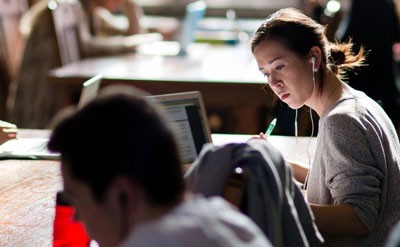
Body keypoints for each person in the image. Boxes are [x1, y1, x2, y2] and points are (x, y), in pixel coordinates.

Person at [47, 85, 272, 247]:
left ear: (121, 194)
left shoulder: (151, 240)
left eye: (77, 200)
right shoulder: (225, 218)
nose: (75, 217)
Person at [251, 8, 400, 246]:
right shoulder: (356, 102)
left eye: (279, 66)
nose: (274, 83)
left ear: (314, 58)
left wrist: (280, 204)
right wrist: (275, 163)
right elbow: (335, 181)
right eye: (265, 73)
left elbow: (359, 218)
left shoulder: (342, 120)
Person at [11, 0, 161, 129]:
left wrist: (130, 5)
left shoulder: (92, 11)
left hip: (60, 90)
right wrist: (133, 42)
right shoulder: (71, 7)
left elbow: (133, 34)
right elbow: (87, 47)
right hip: (42, 100)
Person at [308, 0, 400, 135]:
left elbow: (344, 39)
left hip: (361, 73)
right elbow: (395, 35)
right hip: (381, 75)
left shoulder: (360, 5)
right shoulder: (387, 4)